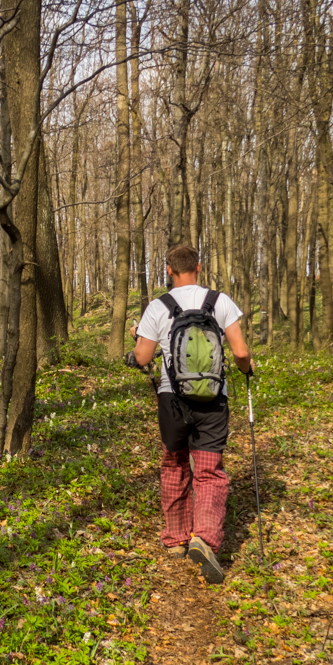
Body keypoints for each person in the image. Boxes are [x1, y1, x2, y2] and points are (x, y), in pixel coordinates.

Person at [130, 244, 253, 584]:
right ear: (198, 267)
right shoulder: (220, 301)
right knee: (209, 470)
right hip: (213, 398)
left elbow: (141, 358)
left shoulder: (159, 306)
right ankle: (205, 538)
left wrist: (136, 340)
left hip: (173, 398)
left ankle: (175, 540)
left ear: (168, 270)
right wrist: (246, 367)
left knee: (175, 462)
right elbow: (240, 351)